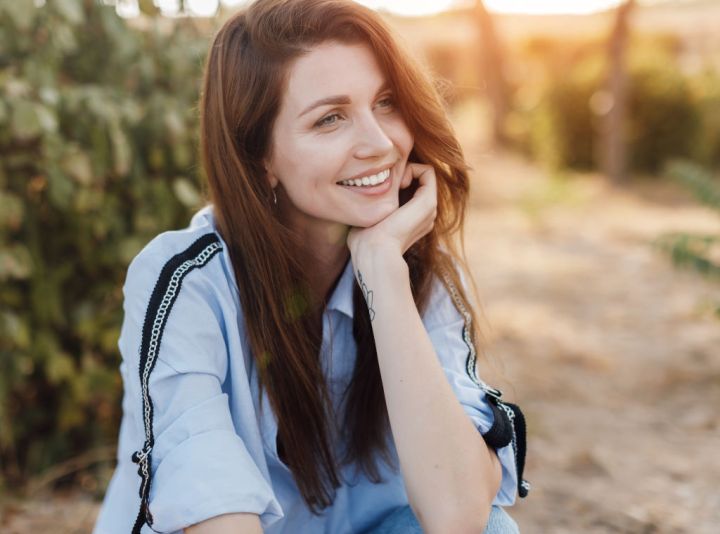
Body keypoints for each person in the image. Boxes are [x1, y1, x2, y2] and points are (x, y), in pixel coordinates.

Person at [93, 1, 529, 532]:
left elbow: (459, 515)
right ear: (260, 158)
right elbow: (215, 519)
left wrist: (383, 276)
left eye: (386, 103)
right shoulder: (188, 282)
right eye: (330, 118)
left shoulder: (416, 271)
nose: (381, 144)